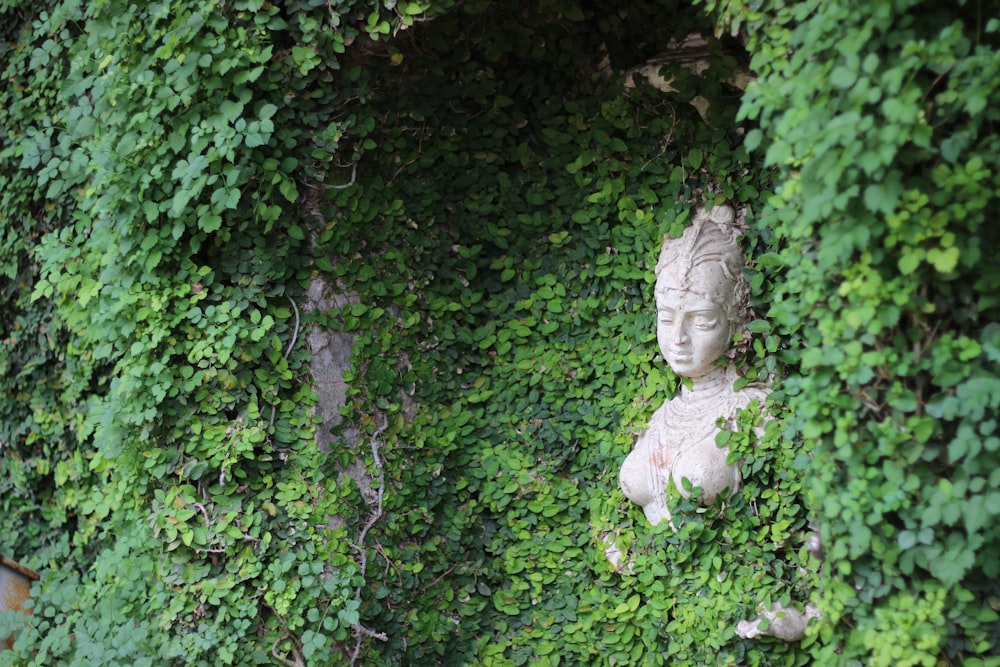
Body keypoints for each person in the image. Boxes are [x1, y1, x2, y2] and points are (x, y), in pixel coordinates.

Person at [619, 205, 767, 527]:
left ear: (736, 322)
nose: (678, 338)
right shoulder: (659, 416)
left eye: (700, 321)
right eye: (667, 318)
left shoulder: (753, 411)